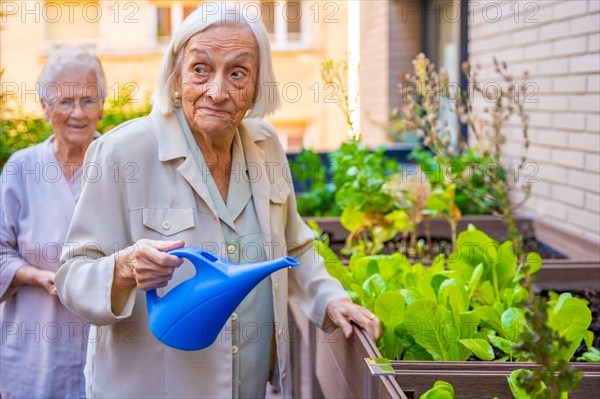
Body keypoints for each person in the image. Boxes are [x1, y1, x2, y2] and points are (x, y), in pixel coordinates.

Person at [55, 4, 381, 398]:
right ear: (176, 77)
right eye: (200, 69)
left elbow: (295, 246)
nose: (217, 91)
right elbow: (73, 277)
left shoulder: (267, 147)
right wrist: (124, 267)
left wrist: (332, 300)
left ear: (259, 84)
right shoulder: (123, 152)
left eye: (238, 73)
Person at [0, 48, 106, 398]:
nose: (78, 113)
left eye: (88, 100)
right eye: (65, 101)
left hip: (105, 345)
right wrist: (40, 277)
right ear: (45, 108)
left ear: (102, 104)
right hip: (33, 348)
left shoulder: (119, 167)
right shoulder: (21, 168)